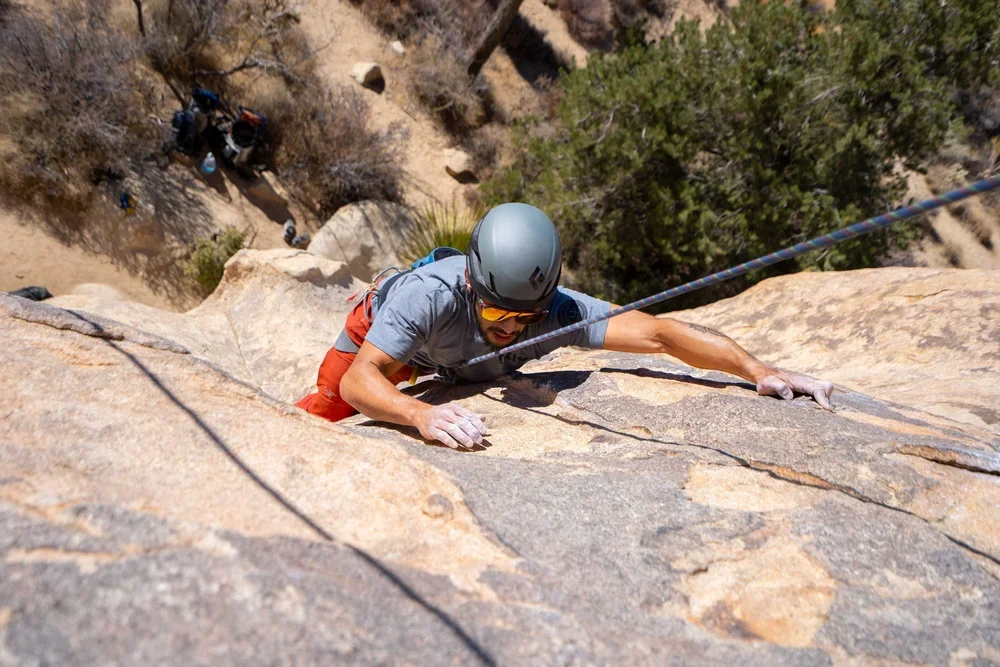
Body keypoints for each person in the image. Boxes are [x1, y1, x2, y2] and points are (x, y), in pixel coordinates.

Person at [296, 203, 835, 449]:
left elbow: (659, 334)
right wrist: (419, 413)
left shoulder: (557, 311)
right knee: (324, 407)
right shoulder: (428, 296)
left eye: (524, 318)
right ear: (471, 287)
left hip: (448, 360)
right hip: (394, 337)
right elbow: (357, 380)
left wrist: (754, 367)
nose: (511, 329)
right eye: (496, 314)